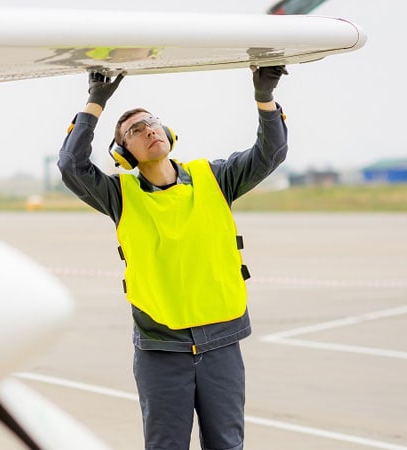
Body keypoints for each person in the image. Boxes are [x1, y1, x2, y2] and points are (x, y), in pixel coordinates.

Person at [57, 65, 289, 450]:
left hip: (221, 341)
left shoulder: (216, 178)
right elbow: (71, 166)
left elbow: (271, 153)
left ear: (167, 133)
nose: (147, 130)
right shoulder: (119, 195)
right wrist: (96, 103)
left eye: (151, 123)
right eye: (134, 130)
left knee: (227, 445)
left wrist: (264, 99)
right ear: (124, 154)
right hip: (160, 347)